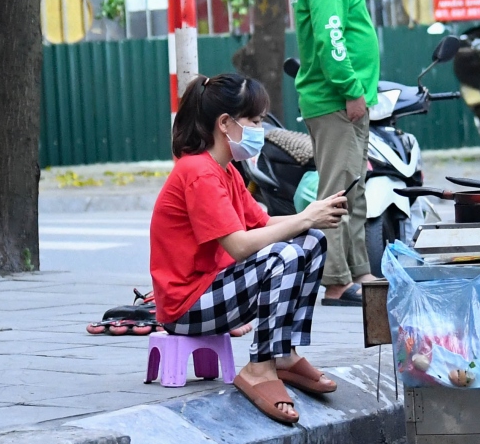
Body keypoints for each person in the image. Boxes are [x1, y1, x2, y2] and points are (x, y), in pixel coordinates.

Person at [149, 73, 349, 425]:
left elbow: (263, 223)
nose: (260, 129)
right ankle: (259, 367)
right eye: (254, 121)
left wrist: (310, 217)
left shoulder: (226, 171)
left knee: (311, 242)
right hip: (185, 308)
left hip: (213, 290)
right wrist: (303, 219)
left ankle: (283, 353)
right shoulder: (199, 173)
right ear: (225, 123)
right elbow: (241, 246)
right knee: (283, 255)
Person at [292, 0, 380, 306]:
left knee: (353, 189)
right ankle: (334, 281)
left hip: (344, 98)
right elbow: (332, 39)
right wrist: (351, 90)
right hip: (336, 100)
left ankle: (358, 270)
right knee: (336, 193)